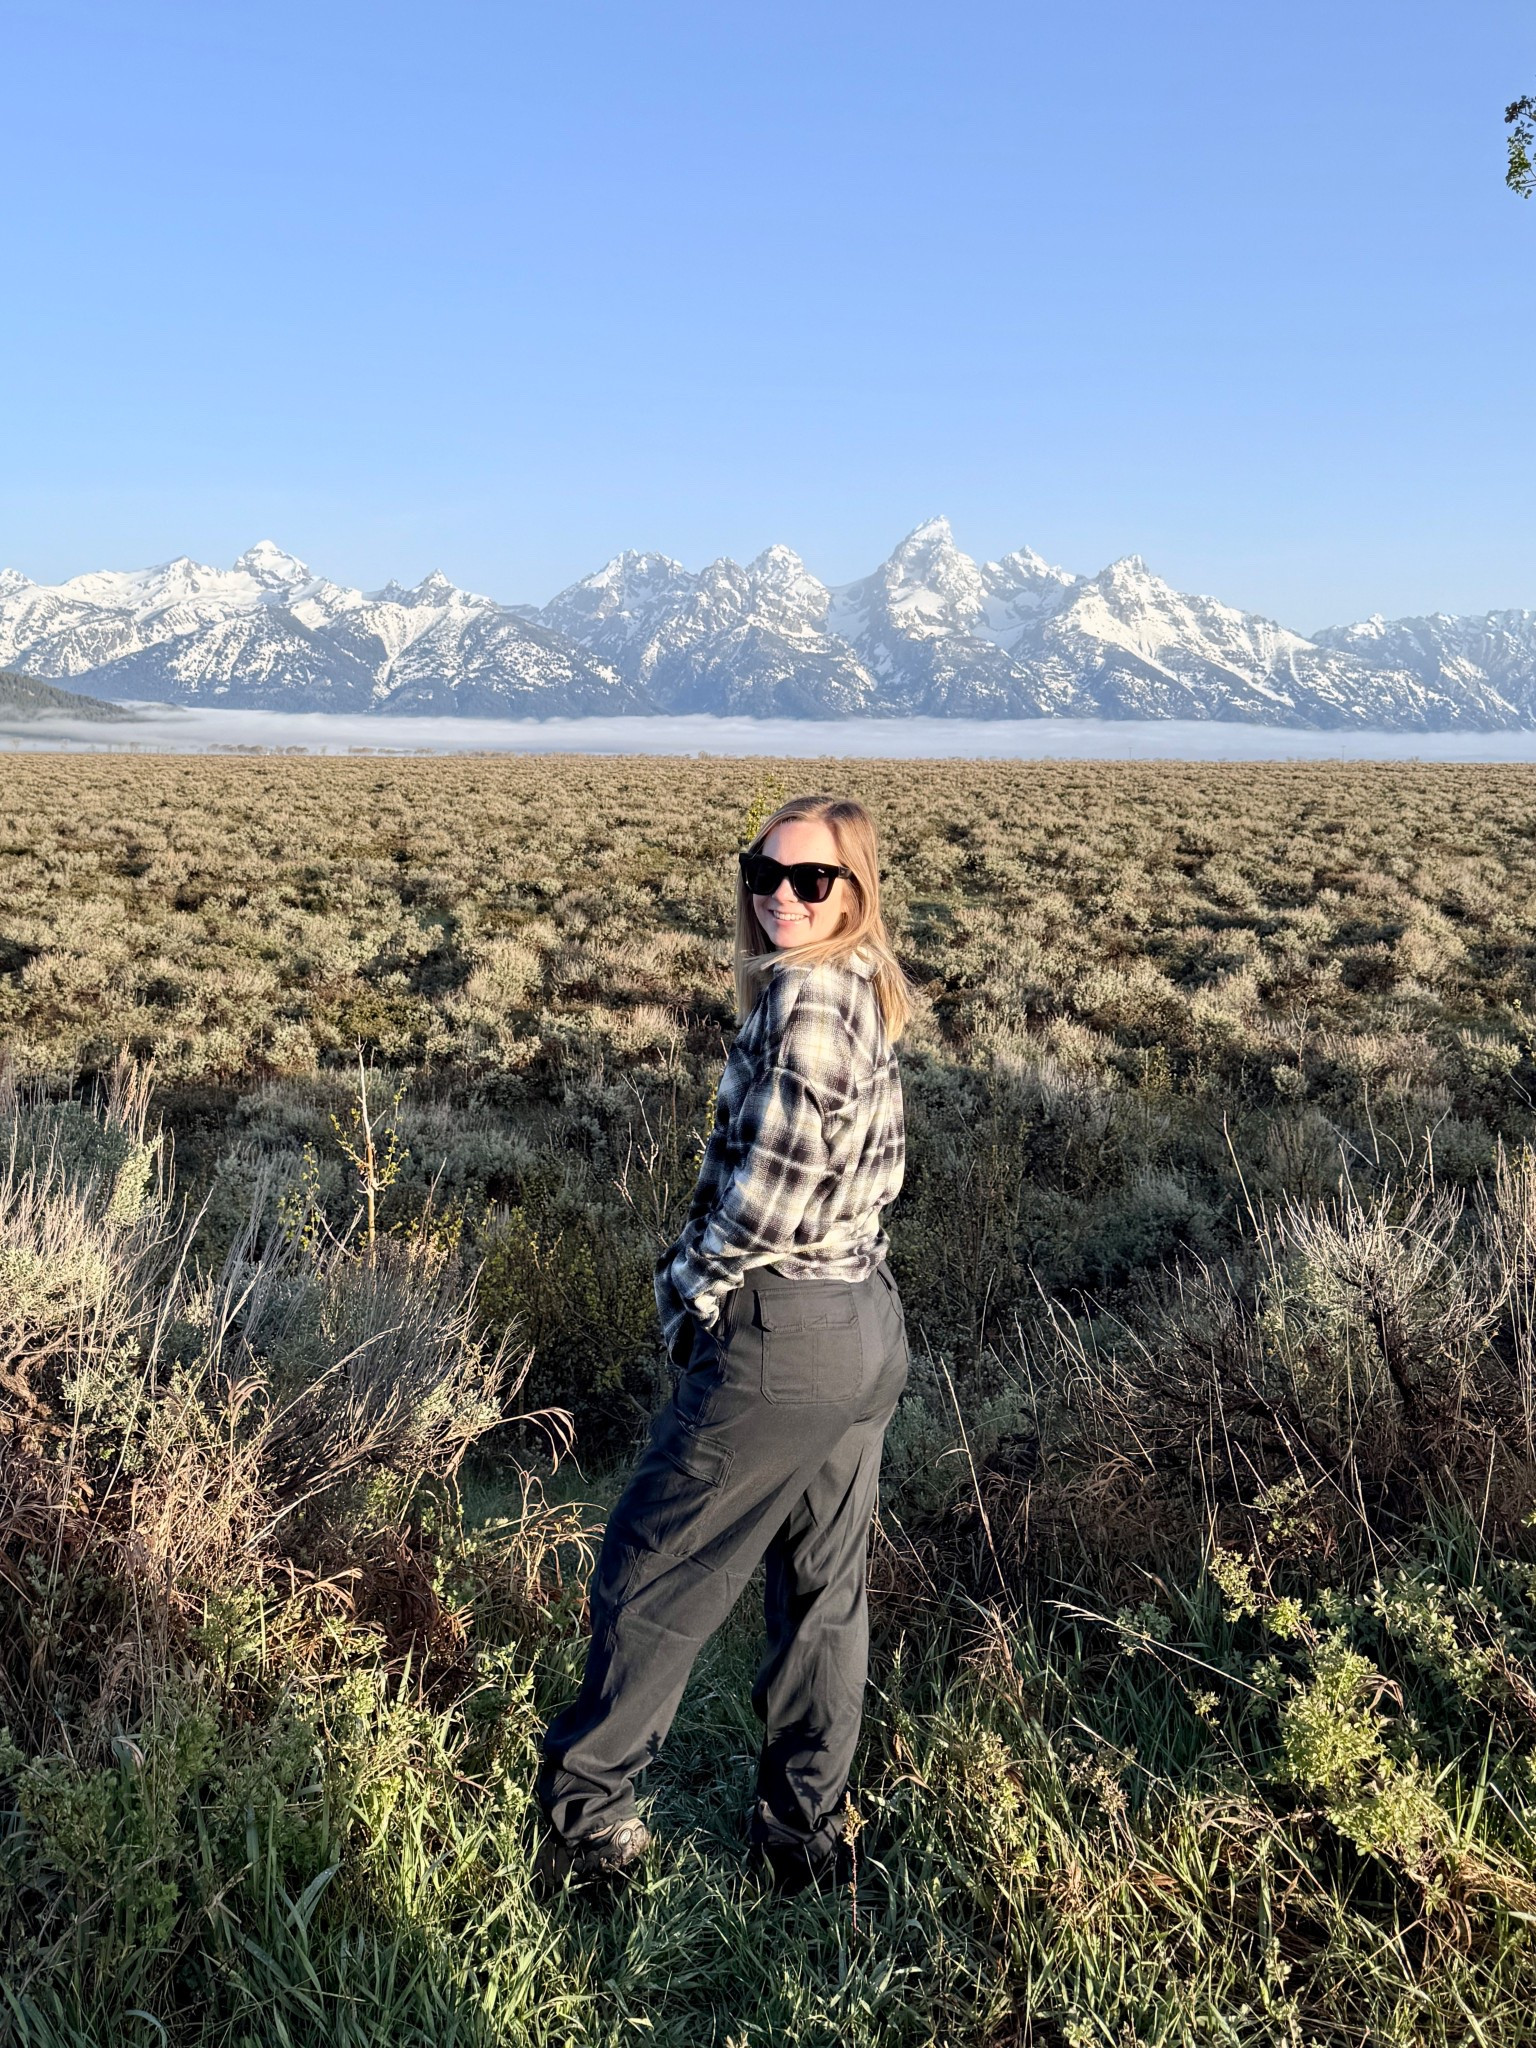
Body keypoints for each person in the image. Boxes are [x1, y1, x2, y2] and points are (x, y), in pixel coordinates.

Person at [535, 792, 913, 1895]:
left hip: (785, 1328)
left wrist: (684, 1286)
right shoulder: (861, 993)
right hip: (865, 1323)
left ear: (855, 892)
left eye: (811, 879)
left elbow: (770, 1196)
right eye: (764, 870)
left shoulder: (803, 1001)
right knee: (823, 1591)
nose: (779, 896)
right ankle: (805, 1837)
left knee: (654, 1572)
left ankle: (586, 1831)